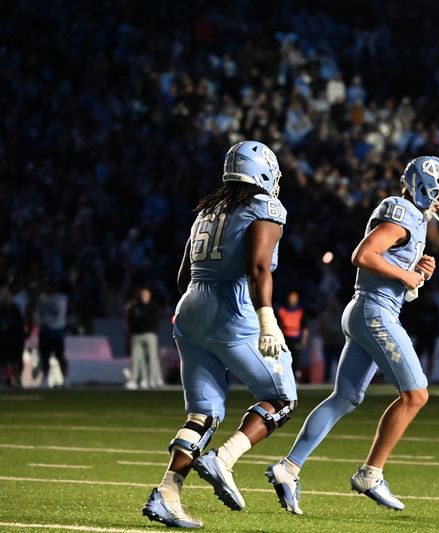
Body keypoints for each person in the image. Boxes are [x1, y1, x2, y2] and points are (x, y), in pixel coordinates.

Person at [267, 156, 439, 515]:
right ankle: (371, 473)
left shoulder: (414, 219)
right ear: (422, 187)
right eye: (437, 195)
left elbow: (387, 264)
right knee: (416, 395)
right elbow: (363, 255)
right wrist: (405, 276)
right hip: (375, 311)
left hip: (369, 310)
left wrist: (415, 271)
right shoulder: (401, 211)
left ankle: (287, 468)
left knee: (346, 398)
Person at [142, 141, 297, 528]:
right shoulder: (265, 206)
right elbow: (260, 267)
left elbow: (183, 276)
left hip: (190, 309)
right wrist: (266, 318)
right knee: (282, 397)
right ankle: (224, 459)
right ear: (262, 173)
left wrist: (200, 316)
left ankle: (167, 494)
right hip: (232, 310)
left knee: (203, 414)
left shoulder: (208, 210)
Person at [124, 287, 163, 389]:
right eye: (142, 295)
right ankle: (135, 380)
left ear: (149, 296)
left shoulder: (154, 308)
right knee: (136, 358)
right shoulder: (133, 307)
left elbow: (155, 321)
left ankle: (152, 379)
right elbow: (130, 321)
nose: (144, 297)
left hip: (150, 334)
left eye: (146, 295)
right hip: (136, 335)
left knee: (152, 357)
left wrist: (142, 322)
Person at [36, 279, 69, 387]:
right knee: (44, 357)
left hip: (57, 332)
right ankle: (46, 378)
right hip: (45, 331)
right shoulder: (42, 298)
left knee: (60, 357)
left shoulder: (62, 298)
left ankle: (66, 379)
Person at [278, 290, 310, 381]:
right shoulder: (282, 311)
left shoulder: (300, 312)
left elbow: (305, 328)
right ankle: (283, 378)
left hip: (296, 339)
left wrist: (304, 340)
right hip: (285, 339)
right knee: (284, 359)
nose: (292, 300)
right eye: (290, 299)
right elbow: (279, 326)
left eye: (294, 299)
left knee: (296, 360)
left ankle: (296, 378)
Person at [0, 286, 26, 387]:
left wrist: (21, 338)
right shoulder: (1, 310)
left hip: (14, 340)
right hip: (2, 339)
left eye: (7, 296)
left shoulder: (15, 309)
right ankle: (3, 379)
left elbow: (20, 326)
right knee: (3, 361)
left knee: (15, 361)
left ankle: (17, 379)